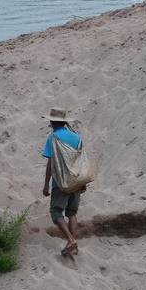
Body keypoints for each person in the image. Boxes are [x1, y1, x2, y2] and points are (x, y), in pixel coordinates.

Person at [41, 107, 86, 255]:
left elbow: (51, 163)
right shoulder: (76, 137)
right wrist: (83, 182)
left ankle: (70, 240)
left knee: (55, 211)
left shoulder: (52, 138)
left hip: (60, 181)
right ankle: (73, 246)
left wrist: (46, 184)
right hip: (76, 179)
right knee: (72, 213)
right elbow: (81, 161)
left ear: (53, 122)